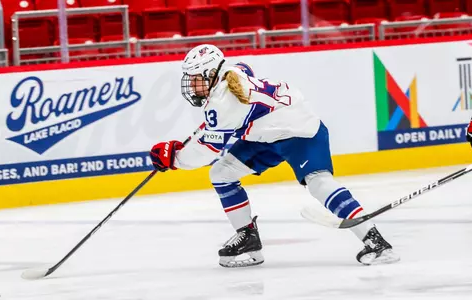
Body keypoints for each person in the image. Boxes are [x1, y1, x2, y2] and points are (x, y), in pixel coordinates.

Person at [150, 44, 400, 268]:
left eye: (195, 79)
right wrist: (184, 148)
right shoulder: (230, 71)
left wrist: (175, 159)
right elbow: (244, 69)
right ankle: (248, 236)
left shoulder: (223, 102)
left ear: (211, 74)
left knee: (319, 183)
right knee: (222, 173)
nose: (192, 85)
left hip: (300, 132)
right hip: (265, 136)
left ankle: (376, 242)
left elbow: (205, 152)